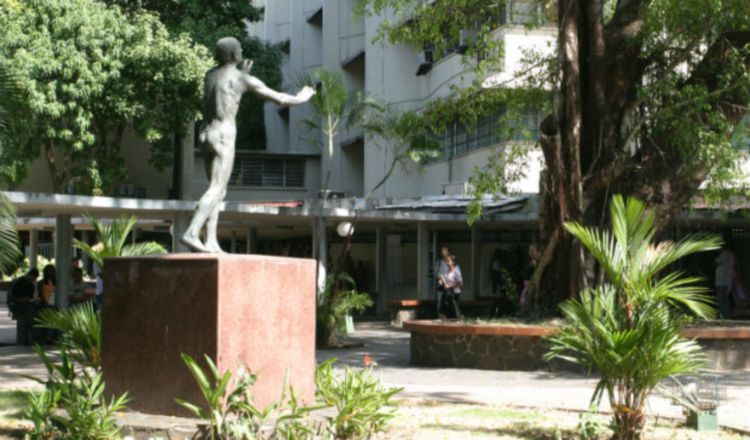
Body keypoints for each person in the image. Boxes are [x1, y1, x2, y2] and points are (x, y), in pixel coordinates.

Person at [181, 37, 315, 253]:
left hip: (205, 133)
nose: (242, 50)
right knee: (216, 189)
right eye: (239, 48)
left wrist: (241, 71)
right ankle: (191, 232)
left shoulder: (210, 74)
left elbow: (224, 85)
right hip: (223, 134)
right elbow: (279, 98)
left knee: (218, 190)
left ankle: (211, 241)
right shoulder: (243, 79)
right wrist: (301, 98)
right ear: (235, 54)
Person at [8, 268, 39, 345]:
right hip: (16, 304)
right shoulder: (18, 282)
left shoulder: (31, 285)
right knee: (29, 313)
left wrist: (31, 300)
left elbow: (30, 298)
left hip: (26, 305)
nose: (33, 280)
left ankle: (28, 336)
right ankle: (26, 337)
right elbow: (11, 297)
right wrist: (20, 300)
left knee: (33, 310)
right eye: (33, 278)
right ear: (30, 275)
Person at [35, 264, 57, 343]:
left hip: (55, 303)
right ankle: (48, 337)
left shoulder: (57, 282)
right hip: (46, 304)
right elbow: (40, 295)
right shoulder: (41, 283)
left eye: (52, 271)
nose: (50, 273)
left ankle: (50, 336)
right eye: (49, 271)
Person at [438, 255, 463, 319]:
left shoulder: (456, 271)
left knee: (454, 309)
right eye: (446, 261)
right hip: (447, 292)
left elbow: (461, 284)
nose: (447, 263)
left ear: (453, 262)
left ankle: (458, 316)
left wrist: (450, 285)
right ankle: (443, 314)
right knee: (448, 309)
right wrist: (441, 281)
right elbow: (443, 278)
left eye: (448, 261)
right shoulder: (447, 271)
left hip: (455, 293)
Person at [715, 244, 734, 318]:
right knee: (725, 298)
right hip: (725, 280)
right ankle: (726, 314)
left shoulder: (724, 254)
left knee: (721, 298)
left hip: (722, 281)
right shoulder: (729, 255)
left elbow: (717, 262)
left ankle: (721, 314)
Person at [519, 243, 539, 307]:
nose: (530, 252)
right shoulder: (531, 261)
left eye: (532, 250)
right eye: (529, 250)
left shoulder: (536, 262)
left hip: (531, 283)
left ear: (537, 251)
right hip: (526, 284)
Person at [434, 246, 451, 316]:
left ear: (448, 252)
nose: (443, 253)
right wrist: (440, 279)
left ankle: (448, 315)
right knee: (440, 300)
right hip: (441, 285)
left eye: (445, 251)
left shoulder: (450, 262)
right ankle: (440, 315)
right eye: (442, 251)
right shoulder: (439, 262)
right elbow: (436, 273)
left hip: (449, 285)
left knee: (448, 300)